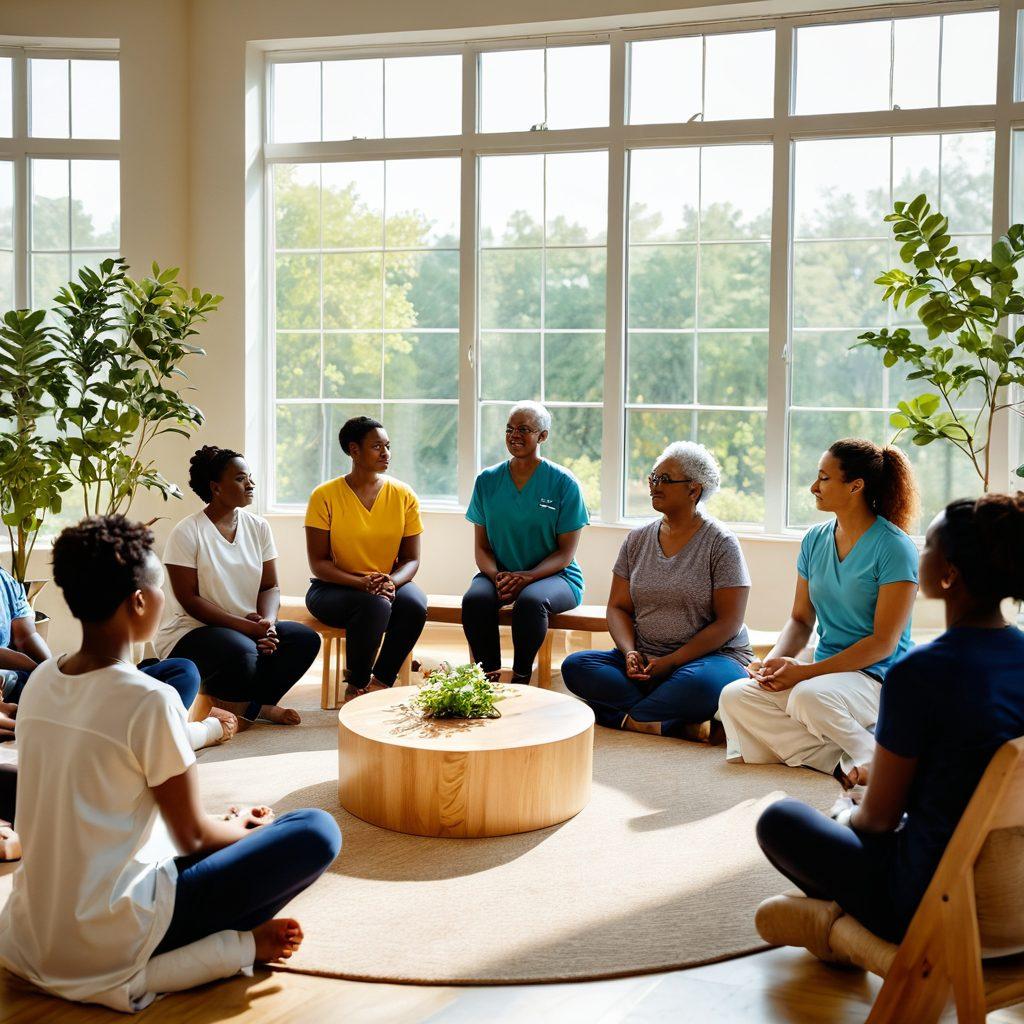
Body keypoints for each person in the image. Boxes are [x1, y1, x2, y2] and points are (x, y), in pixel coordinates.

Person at [0, 515, 342, 1011]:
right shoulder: (150, 700)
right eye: (160, 588)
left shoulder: (42, 682)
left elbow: (111, 810)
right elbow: (193, 838)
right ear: (140, 601)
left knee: (230, 833)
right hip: (108, 935)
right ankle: (233, 948)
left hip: (30, 934)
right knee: (315, 830)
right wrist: (248, 833)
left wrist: (227, 826)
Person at [756, 493, 1024, 943]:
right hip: (1015, 900)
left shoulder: (919, 673)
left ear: (949, 573)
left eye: (928, 545)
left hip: (938, 905)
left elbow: (877, 822)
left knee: (782, 820)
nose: (918, 554)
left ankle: (835, 930)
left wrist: (845, 815)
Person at [718, 439, 919, 788]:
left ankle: (875, 758)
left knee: (808, 698)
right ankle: (841, 761)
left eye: (824, 478)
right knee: (735, 697)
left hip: (877, 676)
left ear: (856, 486)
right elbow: (800, 619)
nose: (814, 487)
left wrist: (806, 672)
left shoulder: (895, 548)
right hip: (825, 673)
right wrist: (773, 663)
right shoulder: (814, 539)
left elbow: (883, 643)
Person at [562, 442, 752, 740]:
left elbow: (729, 622)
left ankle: (620, 716)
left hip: (709, 660)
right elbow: (618, 608)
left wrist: (672, 662)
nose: (654, 485)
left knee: (702, 686)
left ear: (693, 490)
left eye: (665, 479)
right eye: (653, 477)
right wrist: (629, 652)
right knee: (576, 666)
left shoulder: (721, 543)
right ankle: (672, 722)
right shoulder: (637, 539)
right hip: (646, 660)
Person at [156, 446, 320, 727]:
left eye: (250, 477)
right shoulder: (187, 532)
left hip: (246, 627)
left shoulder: (258, 527)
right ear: (216, 487)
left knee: (304, 639)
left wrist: (268, 623)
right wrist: (248, 629)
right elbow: (189, 600)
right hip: (192, 632)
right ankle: (245, 707)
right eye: (241, 478)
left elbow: (269, 586)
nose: (250, 484)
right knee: (243, 651)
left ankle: (253, 706)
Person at [462, 401, 590, 685]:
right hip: (501, 573)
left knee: (530, 603)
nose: (514, 435)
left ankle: (521, 678)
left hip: (557, 577)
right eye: (509, 429)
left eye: (524, 429)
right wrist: (497, 576)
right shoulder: (487, 481)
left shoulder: (563, 483)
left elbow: (565, 553)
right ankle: (488, 678)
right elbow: (482, 547)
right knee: (475, 600)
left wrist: (528, 577)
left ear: (542, 436)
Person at [305, 417, 426, 699]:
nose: (386, 453)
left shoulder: (403, 494)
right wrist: (362, 584)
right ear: (354, 450)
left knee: (415, 605)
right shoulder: (324, 495)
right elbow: (319, 563)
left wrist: (391, 582)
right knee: (375, 605)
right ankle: (356, 684)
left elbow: (411, 559)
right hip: (334, 588)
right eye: (376, 447)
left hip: (387, 583)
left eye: (388, 446)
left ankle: (381, 681)